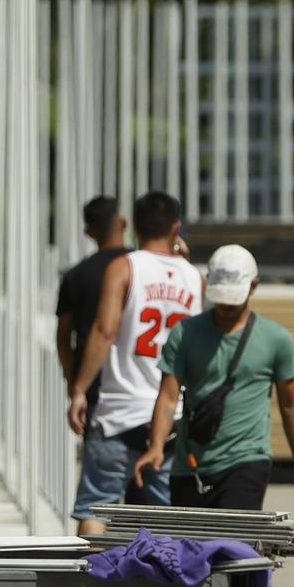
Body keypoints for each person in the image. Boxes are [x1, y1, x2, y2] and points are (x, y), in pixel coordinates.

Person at [137, 245, 294, 511]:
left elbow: (291, 405)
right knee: (190, 550)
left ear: (254, 287)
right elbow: (168, 396)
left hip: (247, 460)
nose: (225, 307)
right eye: (221, 298)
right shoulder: (185, 334)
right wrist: (156, 446)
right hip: (190, 465)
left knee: (234, 547)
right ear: (209, 283)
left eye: (233, 300)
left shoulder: (276, 340)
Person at [65, 191, 202, 534]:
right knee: (165, 517)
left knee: (97, 506)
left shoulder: (124, 268)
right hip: (171, 416)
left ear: (134, 226)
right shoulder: (195, 278)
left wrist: (79, 390)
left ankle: (87, 580)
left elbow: (103, 331)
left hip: (119, 409)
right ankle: (158, 585)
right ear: (176, 226)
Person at [55, 195, 130, 427]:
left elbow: (64, 338)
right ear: (123, 223)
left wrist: (75, 384)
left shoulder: (75, 276)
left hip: (96, 385)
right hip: (141, 380)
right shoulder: (141, 267)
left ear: (89, 232)